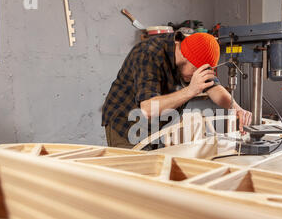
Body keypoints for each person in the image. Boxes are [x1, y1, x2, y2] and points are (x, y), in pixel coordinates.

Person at [101, 31, 252, 148]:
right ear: (188, 60)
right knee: (133, 179)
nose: (195, 77)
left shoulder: (191, 51)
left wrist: (237, 109)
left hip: (154, 126)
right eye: (195, 72)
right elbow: (148, 108)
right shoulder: (148, 53)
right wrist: (191, 90)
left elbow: (214, 88)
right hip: (125, 123)